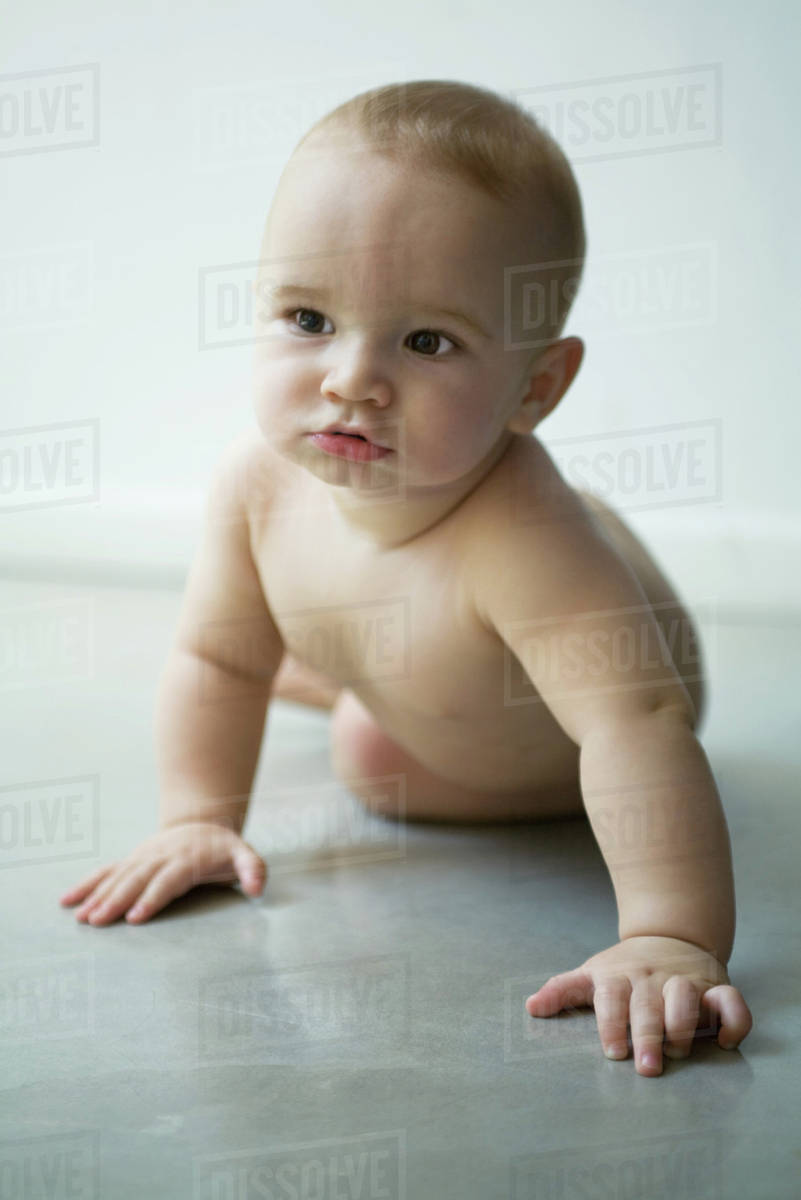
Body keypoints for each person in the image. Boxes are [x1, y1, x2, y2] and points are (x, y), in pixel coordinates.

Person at [59, 79, 753, 1076]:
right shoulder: (255, 487)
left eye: (427, 341)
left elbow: (631, 723)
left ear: (537, 387)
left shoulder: (519, 533)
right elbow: (215, 656)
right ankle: (342, 662)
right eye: (307, 317)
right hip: (433, 643)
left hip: (577, 708)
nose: (351, 378)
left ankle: (359, 672)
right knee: (287, 661)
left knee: (368, 750)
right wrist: (200, 820)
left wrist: (671, 933)